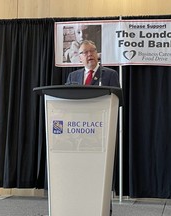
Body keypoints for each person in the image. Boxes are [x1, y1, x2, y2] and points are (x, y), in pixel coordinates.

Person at [66, 40, 119, 216]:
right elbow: (65, 101)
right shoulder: (73, 76)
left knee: (99, 173)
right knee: (79, 171)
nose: (89, 55)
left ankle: (103, 209)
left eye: (92, 51)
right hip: (77, 132)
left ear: (97, 54)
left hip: (100, 132)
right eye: (85, 52)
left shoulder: (109, 74)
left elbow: (116, 100)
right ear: (79, 57)